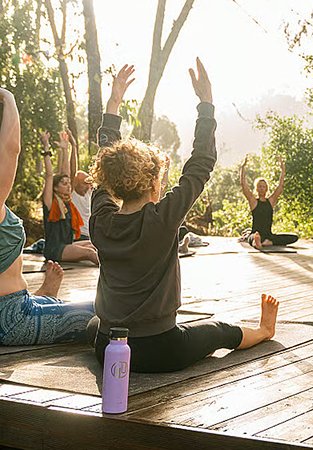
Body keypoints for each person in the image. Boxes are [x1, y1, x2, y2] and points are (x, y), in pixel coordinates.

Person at [90, 61, 279, 373]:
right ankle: (263, 331)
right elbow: (201, 163)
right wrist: (206, 104)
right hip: (160, 349)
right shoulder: (161, 219)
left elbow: (105, 164)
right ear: (153, 184)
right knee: (218, 331)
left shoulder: (101, 220)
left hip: (106, 346)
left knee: (93, 323)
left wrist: (113, 106)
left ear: (110, 181)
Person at [0, 87, 95, 346]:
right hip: (11, 318)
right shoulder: (49, 199)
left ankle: (45, 294)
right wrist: (8, 97)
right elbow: (11, 149)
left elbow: (65, 172)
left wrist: (68, 147)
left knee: (73, 304)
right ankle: (45, 296)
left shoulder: (67, 199)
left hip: (15, 305)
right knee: (106, 312)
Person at [40, 130, 98, 265]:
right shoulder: (50, 202)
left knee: (94, 244)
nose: (68, 186)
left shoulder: (66, 201)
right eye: (64, 184)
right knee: (89, 253)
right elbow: (49, 175)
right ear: (55, 188)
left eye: (69, 184)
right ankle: (115, 271)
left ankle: (121, 261)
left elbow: (66, 171)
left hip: (67, 245)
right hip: (55, 249)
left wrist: (65, 149)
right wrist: (46, 147)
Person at [239, 154, 298, 249]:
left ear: (266, 189)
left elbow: (280, 187)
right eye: (259, 186)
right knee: (251, 236)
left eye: (263, 186)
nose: (262, 188)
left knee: (294, 237)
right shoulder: (253, 201)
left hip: (268, 235)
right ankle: (256, 241)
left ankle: (267, 242)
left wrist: (283, 170)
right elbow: (243, 185)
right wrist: (243, 167)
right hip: (255, 233)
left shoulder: (271, 201)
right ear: (256, 189)